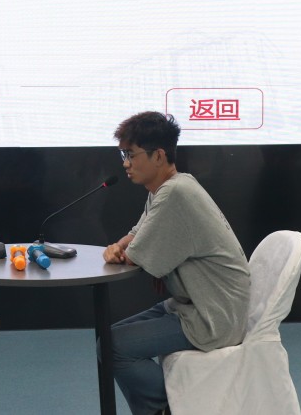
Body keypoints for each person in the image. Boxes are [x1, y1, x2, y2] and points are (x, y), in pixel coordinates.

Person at [103, 111, 250, 415]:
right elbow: (136, 234)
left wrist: (119, 252)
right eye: (123, 154)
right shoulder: (168, 187)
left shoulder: (175, 193)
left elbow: (132, 257)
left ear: (158, 156)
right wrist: (118, 245)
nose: (125, 163)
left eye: (131, 154)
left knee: (112, 346)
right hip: (192, 304)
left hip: (212, 316)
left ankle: (169, 409)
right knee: (107, 337)